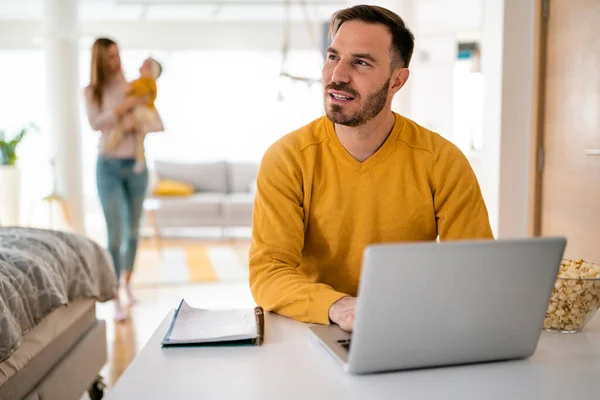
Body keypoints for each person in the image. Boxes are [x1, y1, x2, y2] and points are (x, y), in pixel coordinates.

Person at [249, 5, 494, 332]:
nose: (337, 76)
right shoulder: (287, 158)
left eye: (361, 62)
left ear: (397, 81)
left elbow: (475, 270)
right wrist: (340, 306)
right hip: (313, 326)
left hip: (407, 327)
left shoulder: (442, 161)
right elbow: (269, 271)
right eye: (333, 57)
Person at [84, 37, 164, 321]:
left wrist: (135, 114)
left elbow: (156, 121)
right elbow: (95, 123)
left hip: (136, 167)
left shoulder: (134, 85)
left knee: (133, 233)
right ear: (100, 61)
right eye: (109, 58)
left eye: (117, 55)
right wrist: (122, 109)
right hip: (107, 167)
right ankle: (115, 294)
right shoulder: (92, 91)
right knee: (115, 234)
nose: (116, 62)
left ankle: (127, 284)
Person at [106, 57, 163, 174]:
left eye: (146, 66)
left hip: (143, 112)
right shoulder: (140, 82)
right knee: (136, 136)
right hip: (139, 112)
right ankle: (113, 147)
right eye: (142, 65)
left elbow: (138, 93)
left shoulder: (148, 83)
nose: (141, 68)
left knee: (127, 128)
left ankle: (112, 146)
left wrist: (131, 90)